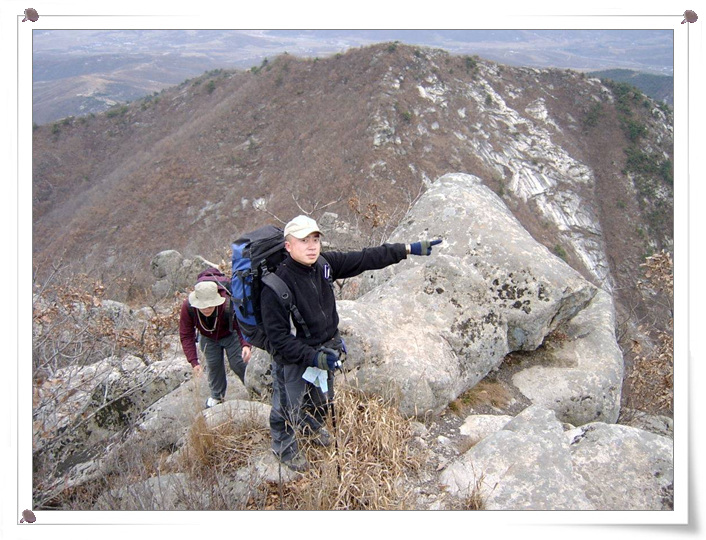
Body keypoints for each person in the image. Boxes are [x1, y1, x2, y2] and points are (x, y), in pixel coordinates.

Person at [261, 214, 441, 472]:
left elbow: (365, 258)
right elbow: (278, 340)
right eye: (303, 241)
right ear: (288, 246)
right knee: (287, 406)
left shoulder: (324, 264)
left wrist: (407, 249)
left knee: (321, 401)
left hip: (325, 349)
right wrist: (313, 358)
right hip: (293, 358)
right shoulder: (275, 286)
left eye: (315, 239)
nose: (312, 246)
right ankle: (284, 448)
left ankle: (310, 429)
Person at [179, 280, 252, 408]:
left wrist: (245, 345)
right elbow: (186, 335)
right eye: (202, 306)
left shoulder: (228, 304)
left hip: (231, 333)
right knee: (213, 365)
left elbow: (241, 326)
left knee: (238, 363)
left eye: (210, 306)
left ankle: (254, 390)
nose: (206, 309)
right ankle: (217, 397)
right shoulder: (188, 307)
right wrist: (194, 361)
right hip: (207, 336)